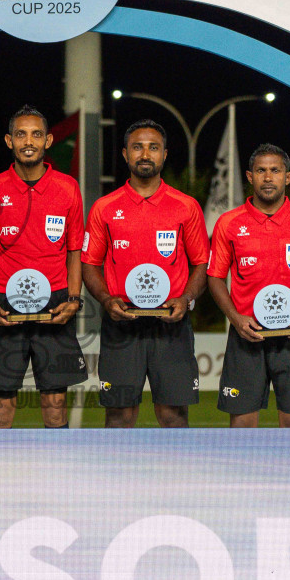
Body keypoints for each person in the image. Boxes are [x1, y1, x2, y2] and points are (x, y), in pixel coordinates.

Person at [82, 118, 209, 427]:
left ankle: (175, 477)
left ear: (164, 154)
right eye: (137, 147)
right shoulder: (105, 207)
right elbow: (89, 264)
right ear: (125, 154)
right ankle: (116, 477)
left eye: (153, 147)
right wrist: (106, 300)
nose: (145, 154)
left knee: (173, 415)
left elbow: (202, 263)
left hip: (171, 325)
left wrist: (187, 299)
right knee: (120, 415)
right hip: (122, 323)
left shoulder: (186, 206)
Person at [0, 105, 87, 428]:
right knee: (1, 405)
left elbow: (74, 252)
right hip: (2, 303)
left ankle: (57, 476)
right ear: (9, 141)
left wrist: (74, 300)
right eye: (21, 134)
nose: (28, 141)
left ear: (48, 140)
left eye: (36, 134)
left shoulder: (67, 188)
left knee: (54, 404)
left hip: (54, 302)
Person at [206, 143, 290, 427]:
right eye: (261, 170)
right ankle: (242, 473)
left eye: (275, 170)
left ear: (287, 177)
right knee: (242, 423)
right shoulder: (229, 223)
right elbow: (214, 276)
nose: (267, 177)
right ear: (250, 176)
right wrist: (236, 319)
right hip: (247, 334)